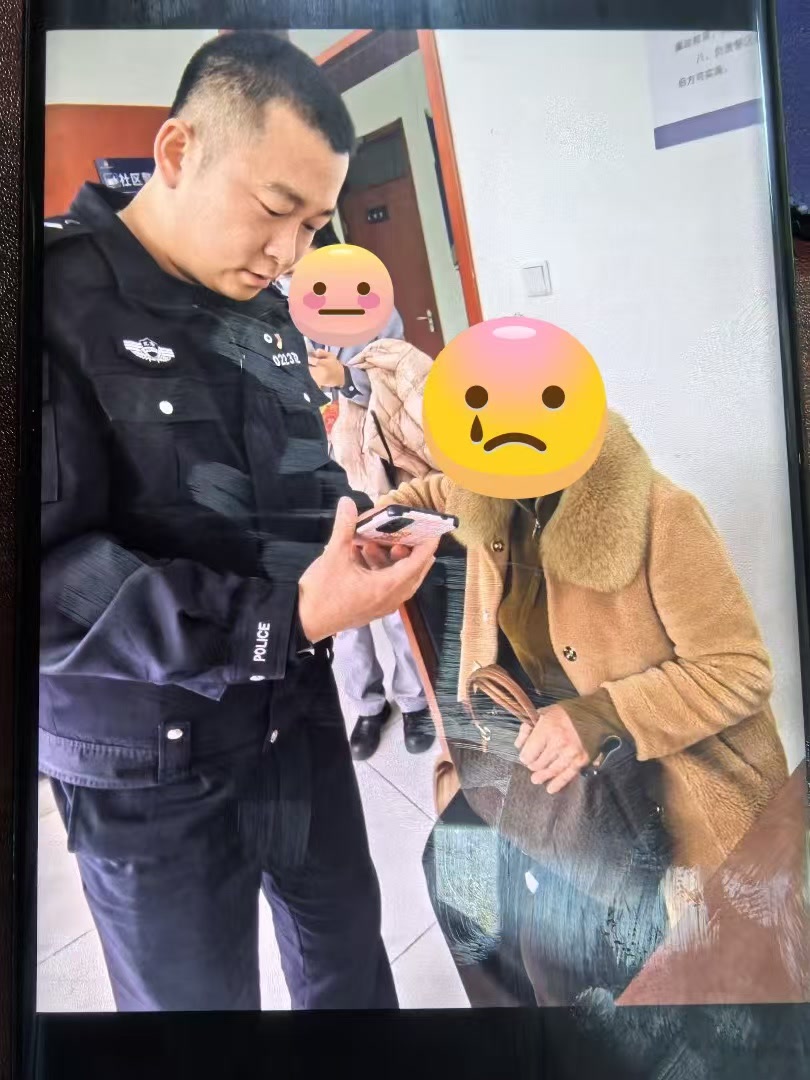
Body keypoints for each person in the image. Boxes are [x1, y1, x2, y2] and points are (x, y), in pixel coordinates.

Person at [39, 32, 440, 1012]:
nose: (291, 253)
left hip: (291, 719)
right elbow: (47, 581)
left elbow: (293, 475)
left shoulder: (264, 309)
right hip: (149, 766)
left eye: (313, 225)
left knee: (348, 968)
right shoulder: (49, 302)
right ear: (179, 152)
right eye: (274, 209)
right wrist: (283, 616)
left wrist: (359, 526)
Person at [367, 407, 789, 1006]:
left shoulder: (663, 515)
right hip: (537, 760)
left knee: (559, 950)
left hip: (656, 779)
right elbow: (434, 492)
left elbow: (739, 670)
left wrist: (600, 714)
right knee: (453, 873)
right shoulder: (483, 487)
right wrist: (382, 525)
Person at [287, 224, 432, 759]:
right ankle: (368, 706)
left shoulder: (363, 294)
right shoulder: (261, 302)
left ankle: (415, 700)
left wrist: (344, 379)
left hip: (370, 465)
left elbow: (398, 377)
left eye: (302, 235)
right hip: (307, 471)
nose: (285, 254)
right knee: (332, 595)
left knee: (389, 586)